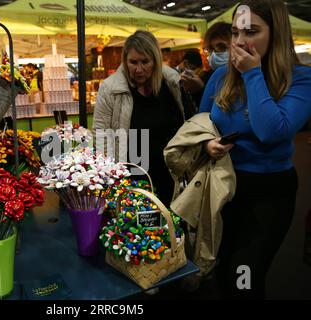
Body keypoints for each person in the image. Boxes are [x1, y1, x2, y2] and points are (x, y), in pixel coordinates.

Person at [199, 0, 311, 299]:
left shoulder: (301, 79)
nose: (239, 42)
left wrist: (252, 74)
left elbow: (272, 132)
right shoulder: (220, 78)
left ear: (276, 34)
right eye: (235, 32)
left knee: (244, 274)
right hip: (224, 188)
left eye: (251, 31)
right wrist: (206, 144)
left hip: (268, 195)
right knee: (220, 271)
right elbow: (198, 126)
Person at [93, 30, 185, 204]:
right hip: (132, 175)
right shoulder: (110, 88)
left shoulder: (172, 84)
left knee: (170, 225)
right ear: (125, 61)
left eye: (145, 62)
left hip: (169, 174)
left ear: (155, 61)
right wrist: (111, 178)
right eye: (133, 62)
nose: (138, 69)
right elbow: (102, 136)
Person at [177, 50, 212, 119]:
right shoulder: (173, 77)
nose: (195, 72)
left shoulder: (202, 76)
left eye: (198, 69)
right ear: (185, 63)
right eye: (193, 68)